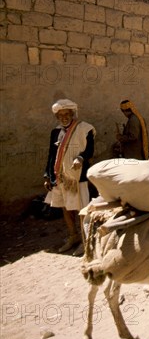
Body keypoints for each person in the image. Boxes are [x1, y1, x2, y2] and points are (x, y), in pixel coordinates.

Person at [43, 99, 95, 255]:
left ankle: (86, 241)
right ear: (57, 117)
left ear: (72, 114)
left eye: (67, 114)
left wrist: (80, 158)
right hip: (60, 176)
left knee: (81, 208)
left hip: (77, 177)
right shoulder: (55, 132)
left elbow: (90, 151)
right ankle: (73, 236)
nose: (64, 117)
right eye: (61, 115)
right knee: (66, 207)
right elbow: (51, 155)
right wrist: (47, 175)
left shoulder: (85, 129)